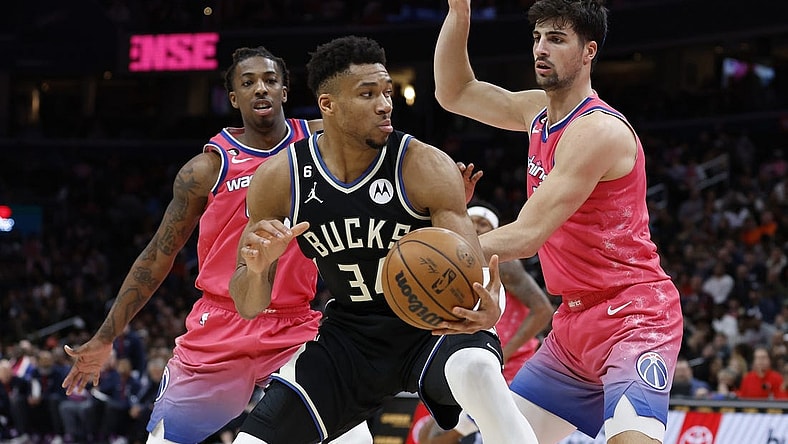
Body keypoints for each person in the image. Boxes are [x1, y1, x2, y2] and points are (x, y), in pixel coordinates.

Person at [229, 35, 538, 444]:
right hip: (350, 335)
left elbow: (473, 271)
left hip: (434, 324)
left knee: (481, 373)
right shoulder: (279, 179)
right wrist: (258, 267)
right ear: (328, 105)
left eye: (387, 92)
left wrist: (488, 308)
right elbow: (248, 305)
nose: (385, 104)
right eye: (367, 93)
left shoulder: (422, 165)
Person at [59, 46, 370, 444]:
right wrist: (105, 337)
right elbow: (158, 254)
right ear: (234, 98)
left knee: (353, 439)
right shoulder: (206, 168)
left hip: (293, 324)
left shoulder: (319, 143)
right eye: (248, 83)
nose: (261, 89)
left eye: (271, 81)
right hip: (220, 325)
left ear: (285, 91)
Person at [434, 0, 684, 443]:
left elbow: (528, 235)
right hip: (572, 324)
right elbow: (454, 92)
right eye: (536, 38)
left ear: (589, 51)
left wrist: (431, 250)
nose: (540, 49)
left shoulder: (598, 132)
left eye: (556, 38)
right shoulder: (537, 112)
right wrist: (460, 13)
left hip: (633, 314)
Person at [416, 201, 554, 443]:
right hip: (469, 357)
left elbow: (543, 309)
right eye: (474, 222)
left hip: (509, 366)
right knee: (429, 434)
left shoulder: (502, 261)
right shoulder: (451, 263)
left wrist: (507, 351)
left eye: (485, 224)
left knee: (438, 437)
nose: (478, 228)